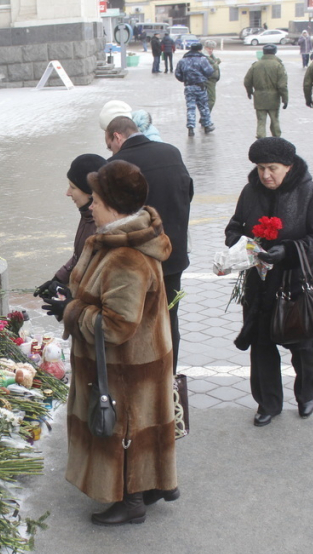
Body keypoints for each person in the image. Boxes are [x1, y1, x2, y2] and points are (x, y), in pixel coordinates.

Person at [41, 159, 178, 526]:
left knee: (126, 427)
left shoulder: (126, 256)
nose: (91, 206)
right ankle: (149, 486)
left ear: (114, 206)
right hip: (138, 361)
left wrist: (71, 311)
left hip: (128, 367)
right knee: (135, 423)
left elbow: (116, 326)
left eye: (97, 201)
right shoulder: (119, 240)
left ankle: (130, 498)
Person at [224, 137, 313, 426]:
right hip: (259, 286)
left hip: (296, 285)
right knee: (261, 346)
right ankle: (268, 403)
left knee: (302, 345)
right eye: (261, 168)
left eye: (272, 168)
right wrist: (245, 245)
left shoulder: (310, 193)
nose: (265, 175)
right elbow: (234, 227)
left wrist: (287, 250)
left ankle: (306, 393)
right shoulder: (251, 192)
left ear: (288, 166)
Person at [104, 116, 193, 371]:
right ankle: (169, 379)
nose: (110, 151)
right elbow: (188, 193)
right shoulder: (171, 152)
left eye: (109, 144)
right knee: (168, 319)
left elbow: (111, 219)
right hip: (172, 256)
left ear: (117, 137)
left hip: (136, 262)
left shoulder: (115, 165)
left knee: (136, 322)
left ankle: (142, 380)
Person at [33, 154, 107, 296]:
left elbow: (98, 285)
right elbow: (80, 257)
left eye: (72, 187)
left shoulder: (100, 225)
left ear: (90, 192)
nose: (67, 193)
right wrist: (59, 279)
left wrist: (71, 305)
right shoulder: (87, 215)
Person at [244, 44, 288, 139]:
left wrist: (249, 91)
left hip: (259, 97)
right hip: (274, 97)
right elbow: (282, 85)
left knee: (261, 121)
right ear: (275, 52)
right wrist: (285, 99)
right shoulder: (278, 65)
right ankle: (277, 140)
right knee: (275, 120)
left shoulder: (256, 65)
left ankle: (261, 140)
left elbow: (247, 81)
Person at [174, 42, 215, 137]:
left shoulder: (183, 60)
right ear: (200, 49)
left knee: (190, 107)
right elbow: (210, 71)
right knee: (204, 107)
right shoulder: (202, 60)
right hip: (200, 86)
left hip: (189, 87)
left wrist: (185, 79)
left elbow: (178, 74)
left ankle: (191, 128)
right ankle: (207, 125)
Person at [203, 40, 221, 111]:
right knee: (211, 100)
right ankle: (205, 117)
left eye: (212, 49)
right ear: (205, 48)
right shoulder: (204, 57)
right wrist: (216, 63)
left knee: (210, 100)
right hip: (208, 80)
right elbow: (212, 66)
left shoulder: (211, 56)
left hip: (212, 81)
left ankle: (205, 117)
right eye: (209, 48)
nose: (211, 50)